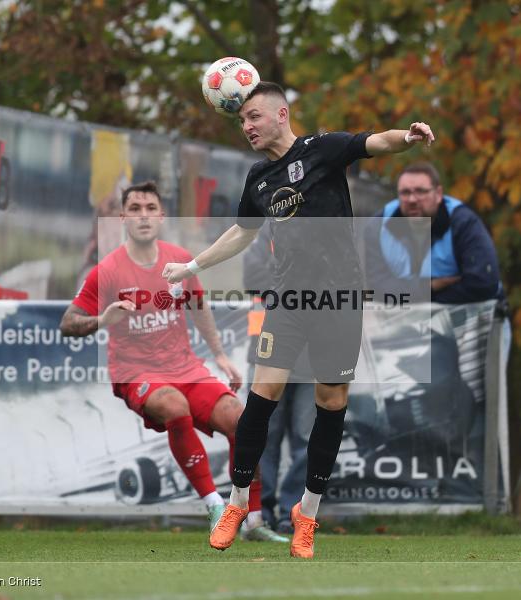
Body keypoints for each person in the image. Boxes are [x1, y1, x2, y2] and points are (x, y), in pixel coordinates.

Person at [162, 81, 435, 558]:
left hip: (341, 299)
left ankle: (306, 514)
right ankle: (238, 504)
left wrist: (406, 138)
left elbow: (374, 142)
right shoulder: (259, 179)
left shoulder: (322, 149)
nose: (246, 126)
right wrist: (191, 266)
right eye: (242, 120)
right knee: (261, 399)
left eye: (254, 117)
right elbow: (241, 234)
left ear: (281, 114)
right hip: (289, 300)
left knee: (331, 402)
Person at [60, 180, 287, 543]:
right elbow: (68, 323)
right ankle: (214, 504)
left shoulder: (179, 259)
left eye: (150, 208)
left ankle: (254, 521)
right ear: (122, 217)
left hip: (186, 368)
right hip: (135, 373)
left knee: (242, 421)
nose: (143, 216)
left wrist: (219, 356)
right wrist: (103, 320)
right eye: (135, 209)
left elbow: (198, 306)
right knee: (174, 406)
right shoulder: (109, 270)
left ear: (162, 216)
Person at [243, 228, 316, 535]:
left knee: (306, 439)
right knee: (265, 437)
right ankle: (262, 511)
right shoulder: (265, 237)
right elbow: (253, 278)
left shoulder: (325, 236)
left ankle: (293, 512)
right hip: (268, 352)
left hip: (312, 354)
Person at [364, 162, 506, 305]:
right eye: (405, 192)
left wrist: (419, 297)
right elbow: (378, 290)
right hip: (408, 321)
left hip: (479, 319)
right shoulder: (378, 226)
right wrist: (430, 286)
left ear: (438, 194)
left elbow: (483, 284)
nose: (412, 200)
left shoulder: (463, 223)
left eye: (420, 191)